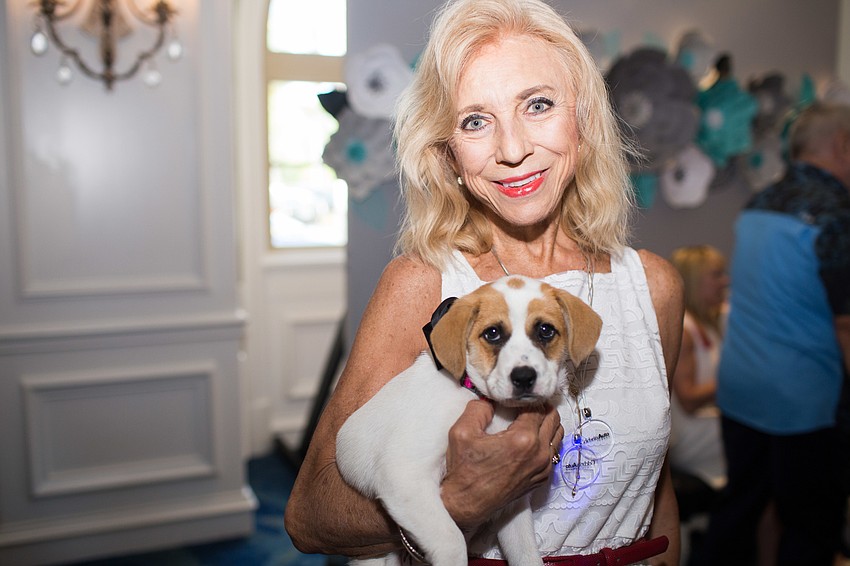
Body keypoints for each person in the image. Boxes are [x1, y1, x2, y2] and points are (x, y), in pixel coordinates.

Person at [284, 0, 684, 563]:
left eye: (538, 105)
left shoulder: (653, 287)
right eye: (476, 120)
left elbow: (655, 480)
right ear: (448, 154)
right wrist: (461, 501)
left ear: (584, 120)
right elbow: (309, 519)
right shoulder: (422, 285)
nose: (513, 149)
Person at [695, 102, 850, 566]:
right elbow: (846, 323)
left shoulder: (757, 204)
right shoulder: (836, 215)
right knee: (810, 527)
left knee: (740, 510)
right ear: (842, 146)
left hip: (741, 389)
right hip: (802, 404)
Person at [668, 245, 729, 496]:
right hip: (692, 433)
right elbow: (690, 398)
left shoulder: (710, 322)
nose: (726, 281)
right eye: (716, 275)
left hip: (708, 420)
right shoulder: (685, 329)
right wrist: (735, 380)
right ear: (694, 281)